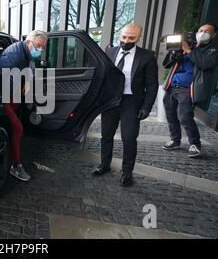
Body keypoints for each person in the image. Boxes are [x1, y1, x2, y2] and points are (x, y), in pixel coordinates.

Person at [93, 23, 159, 187]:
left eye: (131, 38)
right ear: (120, 35)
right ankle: (104, 165)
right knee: (106, 136)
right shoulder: (110, 52)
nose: (126, 40)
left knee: (129, 139)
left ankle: (127, 172)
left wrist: (146, 107)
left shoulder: (147, 56)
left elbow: (152, 84)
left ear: (139, 38)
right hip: (111, 101)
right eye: (123, 37)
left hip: (131, 102)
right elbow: (103, 76)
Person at [0, 30, 48, 181]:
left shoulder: (28, 53)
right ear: (29, 42)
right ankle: (15, 166)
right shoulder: (14, 53)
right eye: (39, 46)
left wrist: (28, 81)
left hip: (14, 97)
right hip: (3, 98)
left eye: (43, 47)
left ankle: (8, 155)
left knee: (13, 129)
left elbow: (31, 67)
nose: (41, 50)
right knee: (17, 128)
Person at [162, 23, 218, 157]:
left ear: (213, 35)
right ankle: (175, 140)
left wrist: (189, 51)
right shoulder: (187, 46)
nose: (203, 32)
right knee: (171, 116)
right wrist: (175, 51)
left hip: (187, 89)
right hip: (172, 87)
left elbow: (206, 64)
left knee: (185, 117)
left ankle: (195, 144)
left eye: (207, 31)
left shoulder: (212, 50)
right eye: (201, 30)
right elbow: (166, 64)